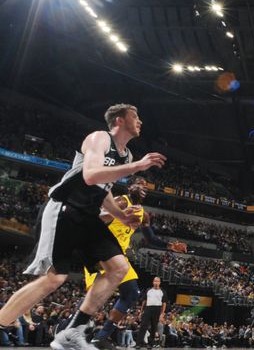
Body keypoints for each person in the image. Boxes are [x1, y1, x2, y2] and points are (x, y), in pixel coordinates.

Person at [0, 104, 165, 350]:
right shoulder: (99, 138)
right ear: (119, 120)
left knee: (118, 268)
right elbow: (90, 175)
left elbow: (103, 191)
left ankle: (72, 332)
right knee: (54, 279)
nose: (140, 121)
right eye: (135, 116)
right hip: (65, 207)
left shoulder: (126, 155)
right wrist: (137, 167)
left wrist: (121, 216)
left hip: (89, 215)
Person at [85, 176, 187, 349]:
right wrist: (119, 213)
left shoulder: (144, 214)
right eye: (139, 184)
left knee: (131, 292)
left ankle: (101, 336)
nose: (142, 188)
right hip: (101, 249)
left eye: (145, 186)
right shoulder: (120, 201)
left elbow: (151, 239)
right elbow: (97, 217)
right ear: (130, 186)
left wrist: (171, 246)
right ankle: (69, 329)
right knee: (95, 299)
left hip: (119, 256)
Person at [137, 277, 167, 349]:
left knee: (154, 327)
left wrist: (162, 314)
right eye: (155, 281)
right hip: (148, 308)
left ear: (160, 282)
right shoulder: (148, 290)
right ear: (153, 282)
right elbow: (144, 301)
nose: (156, 282)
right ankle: (139, 343)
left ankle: (150, 344)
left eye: (158, 281)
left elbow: (164, 303)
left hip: (157, 309)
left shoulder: (162, 291)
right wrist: (141, 312)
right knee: (143, 325)